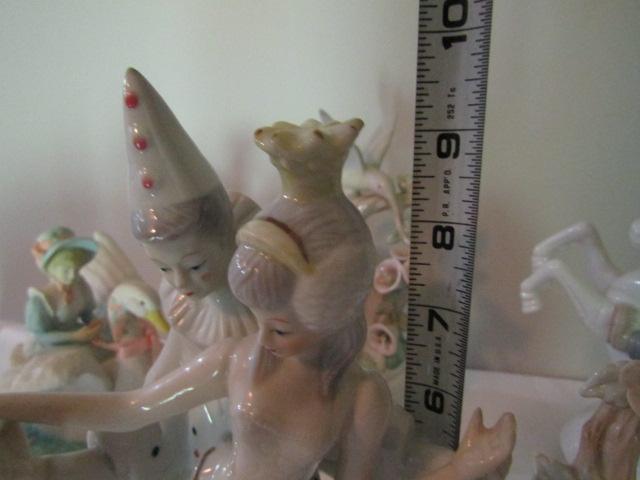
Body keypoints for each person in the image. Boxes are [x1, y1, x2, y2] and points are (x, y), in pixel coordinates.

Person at [0, 118, 515, 480]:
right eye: (259, 316)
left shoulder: (360, 397)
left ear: (335, 320)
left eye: (282, 327)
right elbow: (132, 408)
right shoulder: (239, 357)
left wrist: (461, 469)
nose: (264, 335)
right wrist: (11, 404)